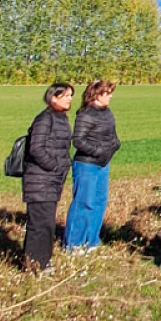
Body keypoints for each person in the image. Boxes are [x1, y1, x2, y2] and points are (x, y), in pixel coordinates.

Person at [22, 83, 74, 274]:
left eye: (70, 95)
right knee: (39, 224)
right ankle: (34, 264)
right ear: (53, 98)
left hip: (50, 180)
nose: (70, 98)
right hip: (40, 179)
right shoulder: (44, 119)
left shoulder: (60, 118)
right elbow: (36, 149)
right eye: (66, 95)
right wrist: (55, 166)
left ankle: (42, 260)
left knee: (47, 223)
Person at [64, 80, 120, 253]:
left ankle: (91, 241)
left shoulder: (107, 112)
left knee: (99, 202)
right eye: (107, 92)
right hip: (86, 165)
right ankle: (73, 244)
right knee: (83, 203)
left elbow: (112, 135)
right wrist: (98, 151)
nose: (111, 95)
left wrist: (115, 145)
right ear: (96, 95)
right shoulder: (85, 114)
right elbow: (78, 140)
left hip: (103, 164)